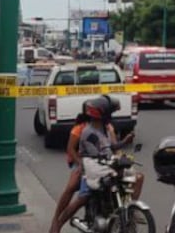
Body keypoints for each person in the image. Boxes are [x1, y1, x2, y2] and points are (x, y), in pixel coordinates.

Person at [55, 97, 143, 231]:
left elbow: (111, 147)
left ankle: (129, 211)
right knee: (81, 195)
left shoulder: (107, 128)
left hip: (105, 165)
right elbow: (85, 152)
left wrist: (124, 143)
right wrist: (81, 165)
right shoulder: (86, 131)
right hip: (89, 165)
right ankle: (57, 223)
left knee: (137, 177)